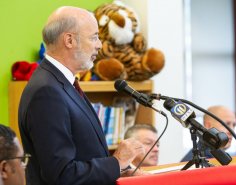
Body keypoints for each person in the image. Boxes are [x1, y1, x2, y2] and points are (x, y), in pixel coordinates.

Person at [18, 6, 145, 185]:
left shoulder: (60, 82)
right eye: (94, 37)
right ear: (69, 40)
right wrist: (115, 164)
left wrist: (119, 171)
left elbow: (84, 153)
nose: (99, 45)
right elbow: (61, 174)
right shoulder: (46, 92)